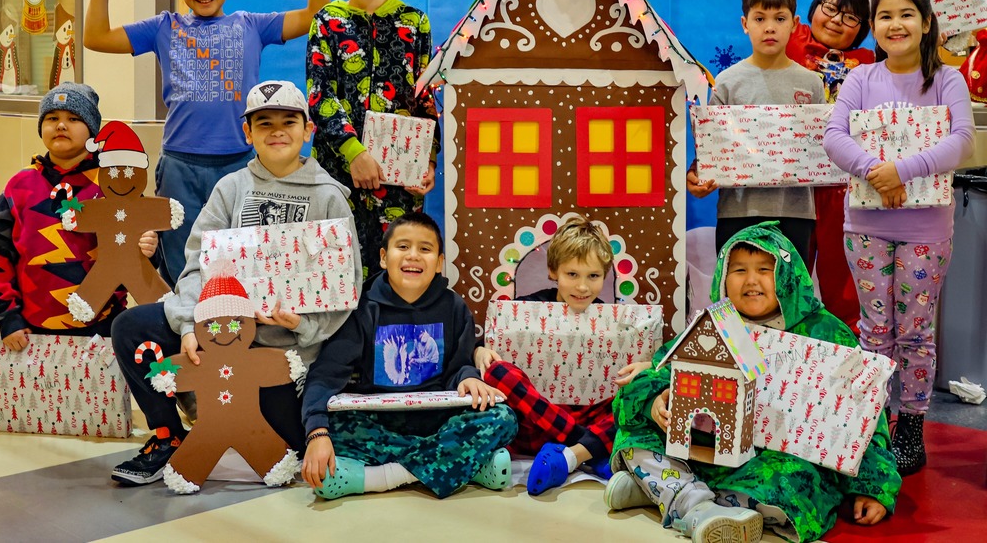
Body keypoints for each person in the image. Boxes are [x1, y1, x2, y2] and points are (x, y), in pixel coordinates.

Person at [109, 80, 360, 486]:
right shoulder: (230, 190)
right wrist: (190, 326)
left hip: (283, 351)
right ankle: (167, 436)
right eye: (264, 123)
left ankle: (231, 412)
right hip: (220, 333)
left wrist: (303, 327)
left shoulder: (328, 197)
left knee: (289, 447)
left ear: (307, 130)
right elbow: (196, 265)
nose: (277, 131)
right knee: (131, 327)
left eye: (288, 121)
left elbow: (344, 284)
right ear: (248, 133)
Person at [606, 223, 900, 543]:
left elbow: (864, 419)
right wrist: (654, 402)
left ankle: (668, 490)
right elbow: (661, 368)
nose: (751, 280)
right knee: (633, 431)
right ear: (722, 275)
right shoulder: (716, 324)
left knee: (793, 479)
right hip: (705, 450)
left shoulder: (826, 332)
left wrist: (873, 489)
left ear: (787, 275)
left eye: (765, 269)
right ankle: (694, 502)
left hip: (769, 464)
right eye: (739, 270)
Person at [83, 0, 331, 286]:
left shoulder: (252, 25)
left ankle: (231, 339)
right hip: (180, 166)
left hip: (240, 164)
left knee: (239, 264)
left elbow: (317, 15)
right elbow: (96, 37)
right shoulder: (164, 27)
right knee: (183, 266)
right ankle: (187, 337)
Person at [824, 0, 975, 476]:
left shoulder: (947, 80)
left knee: (914, 330)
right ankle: (871, 421)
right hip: (865, 223)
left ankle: (909, 424)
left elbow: (962, 142)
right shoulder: (861, 80)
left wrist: (901, 172)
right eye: (884, 15)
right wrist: (874, 171)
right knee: (875, 330)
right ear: (875, 25)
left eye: (907, 14)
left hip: (926, 228)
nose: (896, 24)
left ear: (926, 22)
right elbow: (834, 137)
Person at [718, 0, 874, 333]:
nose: (839, 21)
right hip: (784, 185)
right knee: (775, 270)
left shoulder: (868, 67)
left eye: (851, 18)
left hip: (841, 182)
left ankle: (843, 347)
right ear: (810, 13)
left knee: (841, 276)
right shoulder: (795, 40)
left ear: (863, 30)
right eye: (831, 9)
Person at [299, 212, 517, 500]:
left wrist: (468, 378)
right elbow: (326, 375)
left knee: (503, 417)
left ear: (439, 262)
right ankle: (464, 463)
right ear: (382, 257)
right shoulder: (361, 309)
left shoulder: (454, 306)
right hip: (380, 423)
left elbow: (458, 366)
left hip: (439, 421)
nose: (413, 256)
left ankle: (378, 478)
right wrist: (317, 434)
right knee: (335, 429)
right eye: (402, 247)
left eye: (425, 249)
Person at [306, 0, 440, 279]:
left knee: (395, 269)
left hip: (399, 179)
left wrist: (427, 160)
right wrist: (355, 153)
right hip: (338, 171)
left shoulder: (415, 22)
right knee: (335, 265)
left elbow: (425, 98)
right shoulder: (327, 21)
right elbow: (319, 95)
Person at [0, 82, 157, 350]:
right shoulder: (19, 186)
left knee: (97, 393)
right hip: (30, 329)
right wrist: (7, 316)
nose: (61, 125)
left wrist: (150, 247)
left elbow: (142, 252)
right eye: (52, 118)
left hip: (102, 326)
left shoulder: (116, 185)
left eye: (74, 118)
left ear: (92, 131)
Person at [475, 216, 643, 495]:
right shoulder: (526, 308)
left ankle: (573, 454)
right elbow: (490, 350)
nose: (582, 287)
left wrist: (645, 367)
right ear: (554, 272)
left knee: (641, 390)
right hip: (536, 421)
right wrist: (479, 350)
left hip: (589, 415)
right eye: (572, 275)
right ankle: (588, 449)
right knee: (496, 371)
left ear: (605, 275)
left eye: (593, 276)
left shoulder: (614, 320)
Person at [687, 0, 824, 265]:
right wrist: (698, 172)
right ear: (744, 24)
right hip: (738, 212)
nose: (770, 27)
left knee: (791, 296)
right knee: (736, 294)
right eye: (759, 18)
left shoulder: (811, 84)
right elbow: (713, 147)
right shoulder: (727, 82)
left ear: (795, 25)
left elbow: (821, 147)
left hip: (796, 212)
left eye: (780, 18)